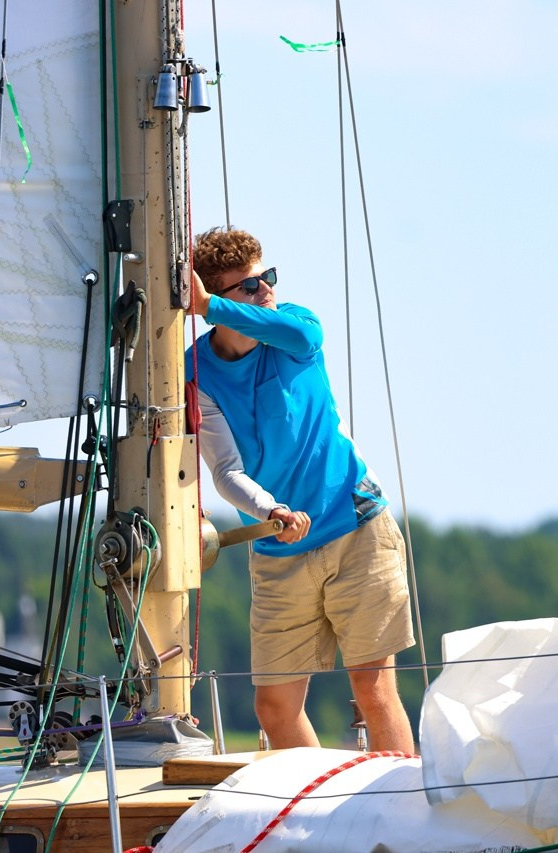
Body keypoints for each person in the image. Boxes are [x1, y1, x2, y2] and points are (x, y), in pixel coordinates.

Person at [184, 226, 415, 752]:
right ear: (220, 296)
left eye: (268, 277)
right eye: (249, 286)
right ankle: (316, 823)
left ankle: (396, 819)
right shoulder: (198, 371)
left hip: (355, 527)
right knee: (274, 709)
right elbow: (226, 470)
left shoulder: (297, 328)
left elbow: (303, 337)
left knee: (373, 691)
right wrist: (272, 511)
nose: (266, 290)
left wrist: (212, 307)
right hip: (279, 546)